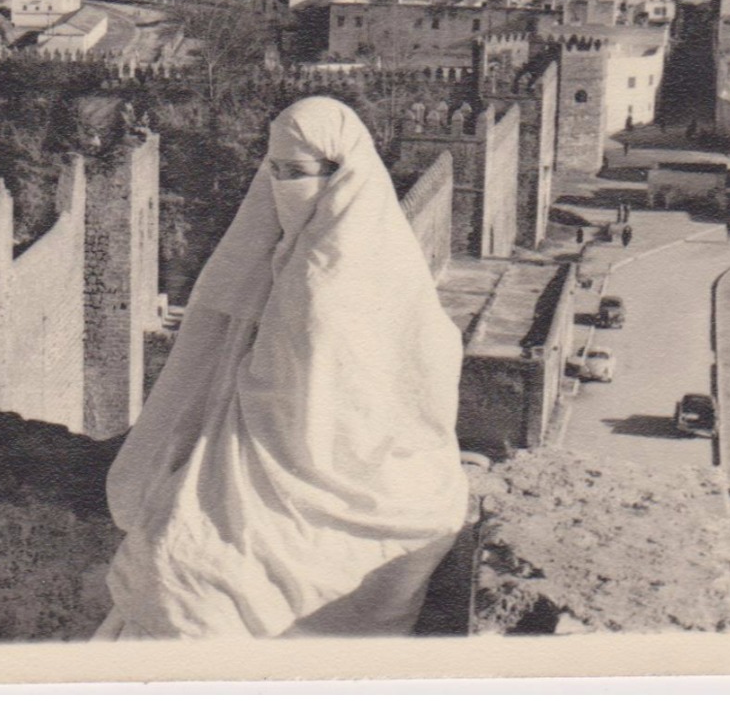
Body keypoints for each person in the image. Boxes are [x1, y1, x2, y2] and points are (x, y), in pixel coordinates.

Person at [96, 97, 469, 640]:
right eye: (274, 173)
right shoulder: (290, 256)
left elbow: (398, 380)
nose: (284, 188)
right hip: (259, 458)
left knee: (193, 579)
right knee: (175, 574)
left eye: (297, 174)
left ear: (340, 176)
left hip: (346, 471)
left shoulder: (350, 266)